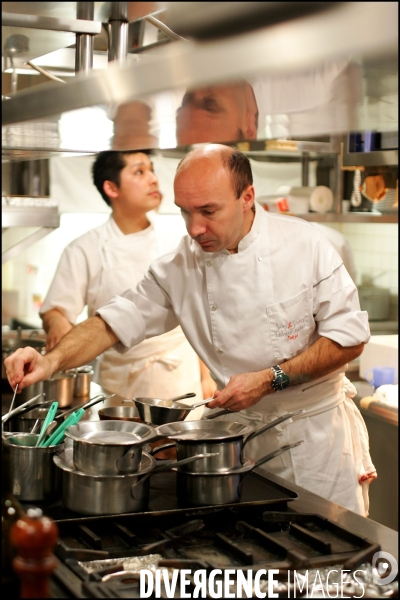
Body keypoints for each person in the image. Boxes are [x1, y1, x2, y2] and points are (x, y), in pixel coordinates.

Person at [6, 144, 375, 516]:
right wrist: (50, 361)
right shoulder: (180, 266)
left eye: (208, 211)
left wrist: (269, 380)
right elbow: (109, 324)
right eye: (185, 212)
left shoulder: (307, 246)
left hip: (314, 443)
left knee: (326, 558)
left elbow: (349, 339)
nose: (195, 228)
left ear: (247, 197)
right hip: (233, 445)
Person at [40, 150, 216, 403]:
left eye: (152, 169)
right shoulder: (85, 248)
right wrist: (56, 322)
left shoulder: (178, 239)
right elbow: (56, 310)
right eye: (139, 172)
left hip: (179, 379)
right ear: (111, 188)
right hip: (119, 386)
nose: (153, 178)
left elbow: (198, 315)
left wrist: (206, 376)